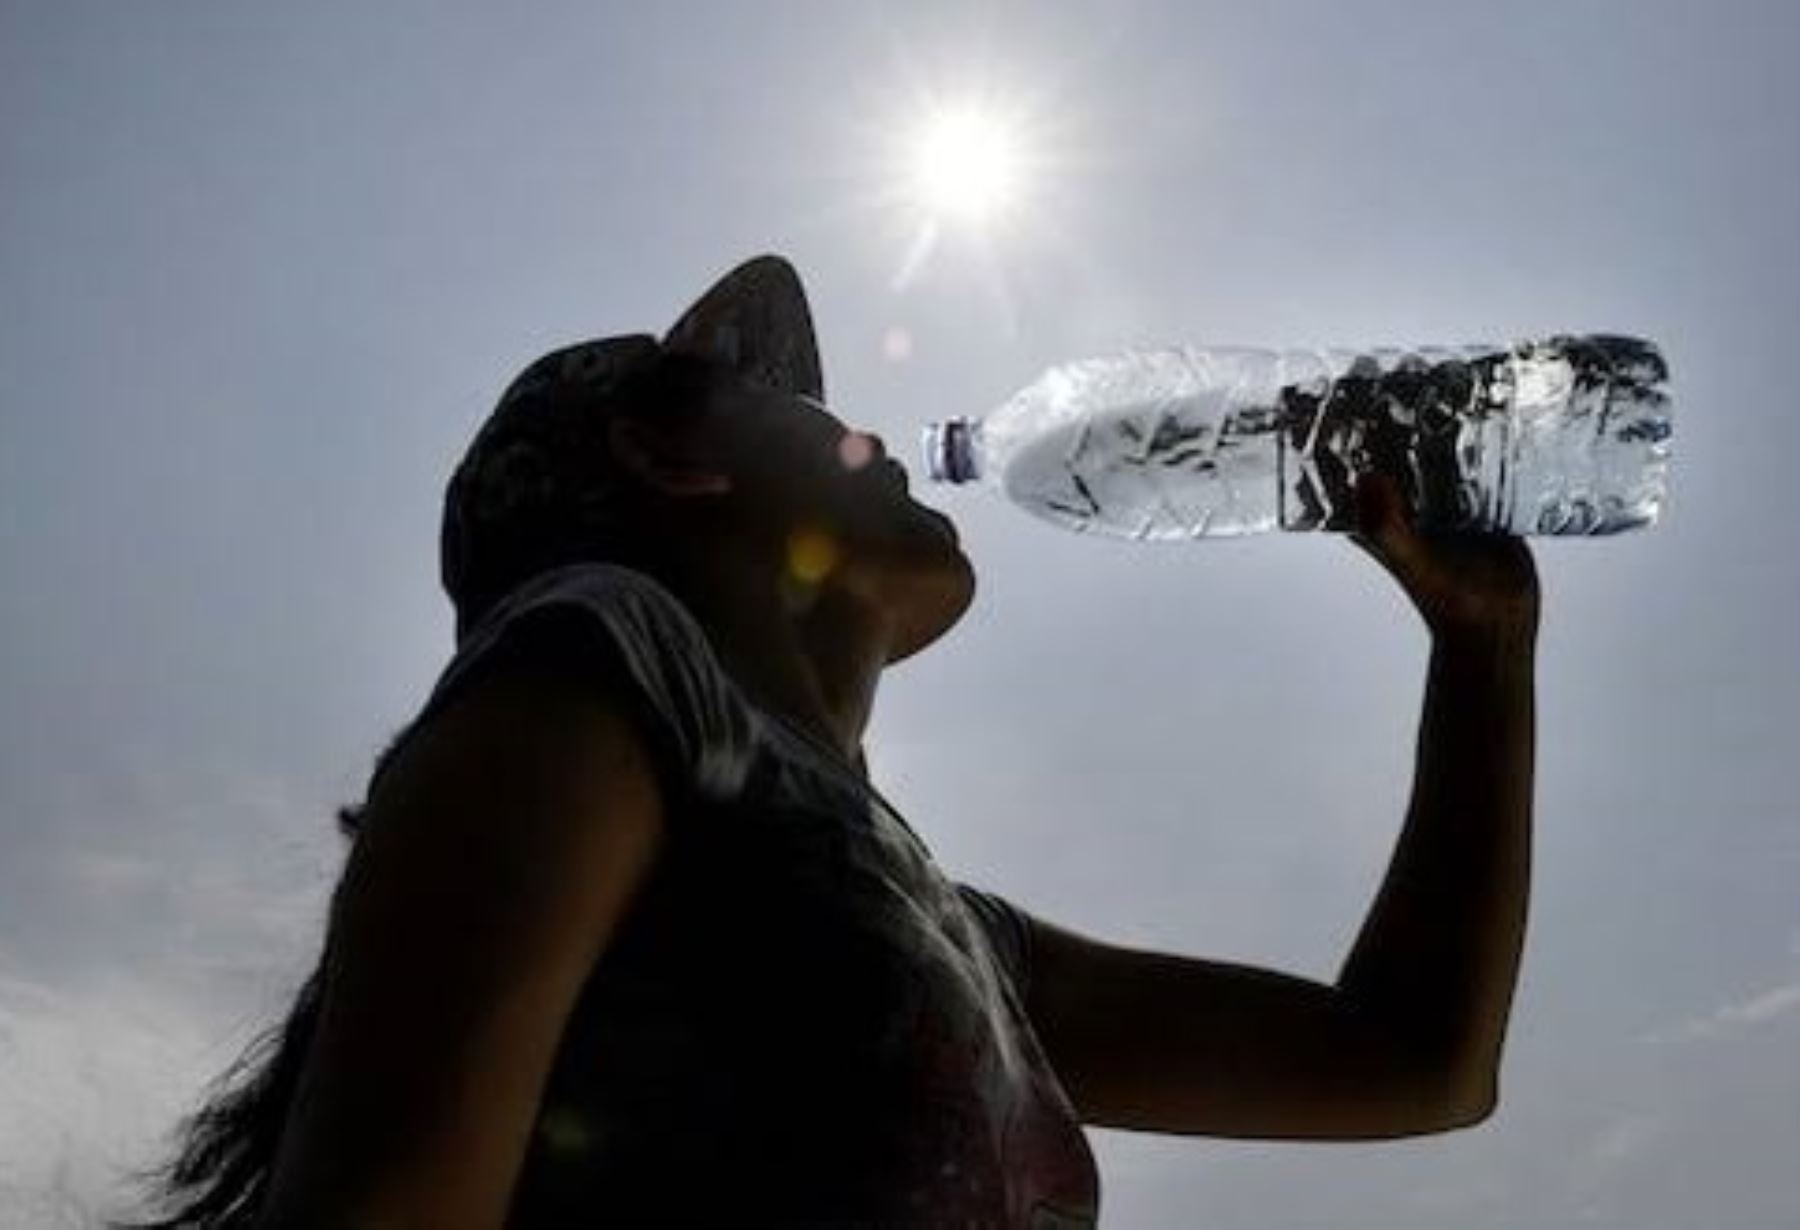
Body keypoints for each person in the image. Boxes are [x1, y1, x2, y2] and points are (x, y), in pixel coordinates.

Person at [132, 256, 1539, 1229]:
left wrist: (1481, 650)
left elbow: (1414, 1061)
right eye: (814, 412)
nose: (874, 436)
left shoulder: (946, 930)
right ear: (674, 456)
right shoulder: (600, 655)